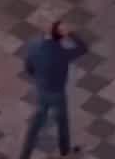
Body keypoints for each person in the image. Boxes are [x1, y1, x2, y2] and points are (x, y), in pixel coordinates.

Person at [20, 20, 88, 158]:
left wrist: (39, 78)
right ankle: (65, 152)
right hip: (57, 93)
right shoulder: (62, 53)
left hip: (42, 91)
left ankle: (24, 155)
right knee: (62, 122)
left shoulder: (33, 45)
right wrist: (71, 34)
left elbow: (28, 67)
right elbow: (83, 48)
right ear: (62, 37)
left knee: (35, 126)